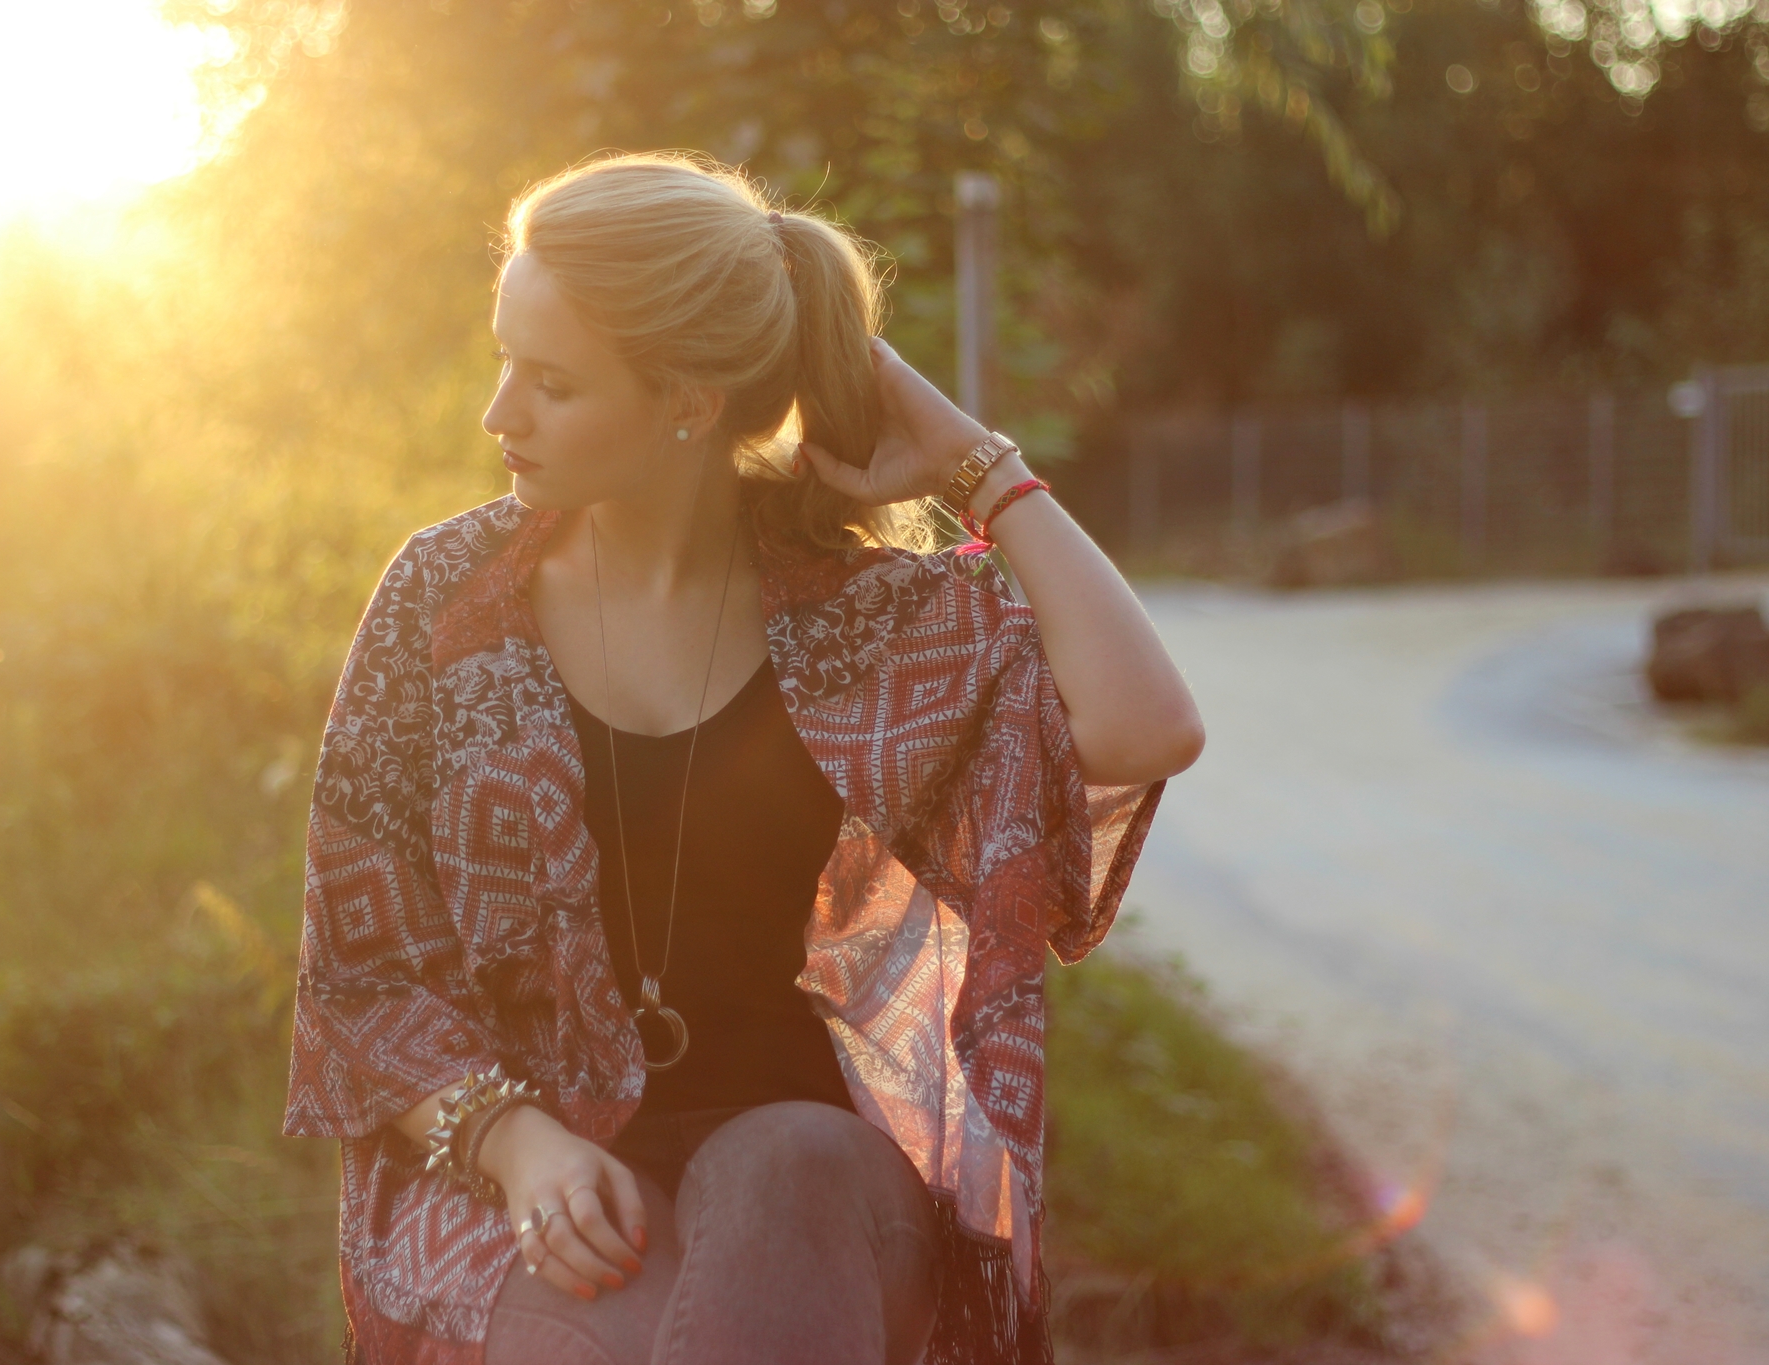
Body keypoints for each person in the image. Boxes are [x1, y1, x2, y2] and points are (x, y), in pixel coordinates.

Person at [284, 152, 1203, 1365]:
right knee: (589, 1334)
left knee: (784, 1160)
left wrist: (976, 465)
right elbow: (361, 980)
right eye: (505, 361)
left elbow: (1147, 728)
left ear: (687, 399)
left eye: (551, 382)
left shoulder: (855, 615)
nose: (498, 414)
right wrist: (514, 1142)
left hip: (813, 1202)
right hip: (532, 1173)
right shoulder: (442, 603)